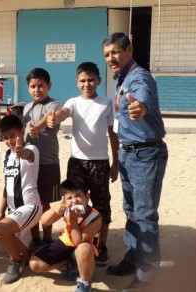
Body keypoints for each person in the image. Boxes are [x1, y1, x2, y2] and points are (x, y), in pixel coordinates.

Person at [102, 32, 168, 291]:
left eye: (116, 52)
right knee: (130, 210)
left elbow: (142, 99)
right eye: (107, 54)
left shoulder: (140, 76)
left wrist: (140, 107)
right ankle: (133, 255)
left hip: (146, 154)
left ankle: (148, 271)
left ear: (130, 50)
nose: (111, 58)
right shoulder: (120, 80)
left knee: (145, 214)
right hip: (128, 153)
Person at [47, 61, 119, 266]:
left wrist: (115, 162)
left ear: (99, 80)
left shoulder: (106, 104)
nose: (87, 84)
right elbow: (63, 112)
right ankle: (74, 242)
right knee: (74, 204)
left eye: (91, 80)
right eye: (82, 80)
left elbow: (113, 135)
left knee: (101, 204)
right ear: (77, 82)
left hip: (100, 163)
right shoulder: (73, 102)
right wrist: (54, 117)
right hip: (77, 163)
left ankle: (101, 244)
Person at [29, 179, 102, 292]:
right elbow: (44, 221)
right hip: (66, 241)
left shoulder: (95, 218)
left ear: (87, 197)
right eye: (69, 198)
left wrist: (72, 219)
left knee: (84, 248)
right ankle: (70, 262)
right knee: (34, 264)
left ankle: (84, 284)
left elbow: (78, 241)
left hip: (85, 248)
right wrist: (57, 210)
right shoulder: (66, 208)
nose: (74, 201)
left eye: (78, 195)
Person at [0, 115, 42, 284]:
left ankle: (15, 261)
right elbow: (6, 187)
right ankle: (25, 255)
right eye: (6, 138)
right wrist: (0, 211)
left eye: (13, 136)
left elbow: (27, 155)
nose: (10, 141)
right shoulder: (6, 156)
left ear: (22, 132)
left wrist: (21, 151)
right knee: (31, 257)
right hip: (13, 211)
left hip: (30, 207)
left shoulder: (31, 149)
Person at [21, 68, 62, 247]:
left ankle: (47, 236)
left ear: (49, 86)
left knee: (45, 202)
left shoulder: (54, 104)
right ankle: (34, 237)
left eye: (41, 86)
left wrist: (36, 127)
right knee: (31, 201)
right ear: (28, 88)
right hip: (29, 162)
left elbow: (49, 117)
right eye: (33, 86)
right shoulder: (26, 108)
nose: (37, 90)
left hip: (48, 162)